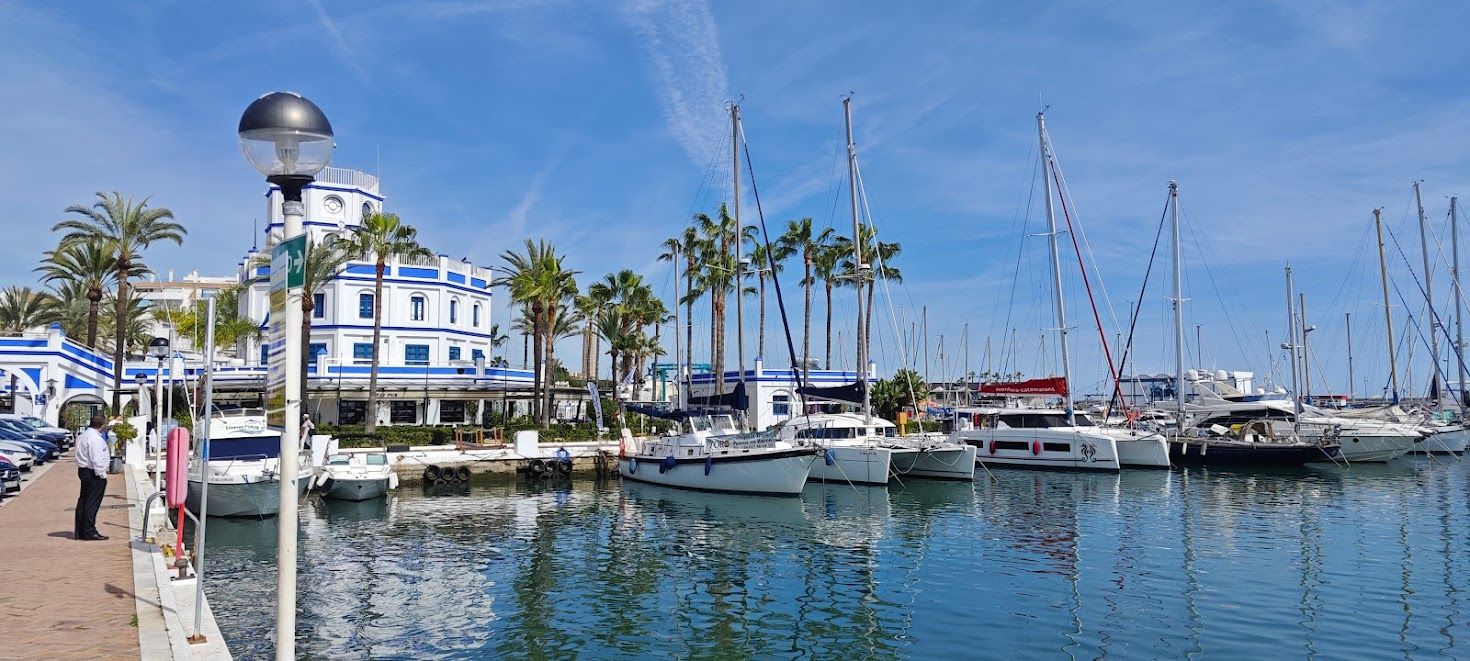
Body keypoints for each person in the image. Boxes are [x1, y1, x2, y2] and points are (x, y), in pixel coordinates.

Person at [74, 414, 111, 541]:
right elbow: (96, 459)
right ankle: (89, 531)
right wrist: (102, 474)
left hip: (83, 470)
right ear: (102, 425)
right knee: (91, 503)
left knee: (83, 501)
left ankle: (80, 530)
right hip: (93, 473)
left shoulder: (82, 436)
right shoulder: (95, 439)